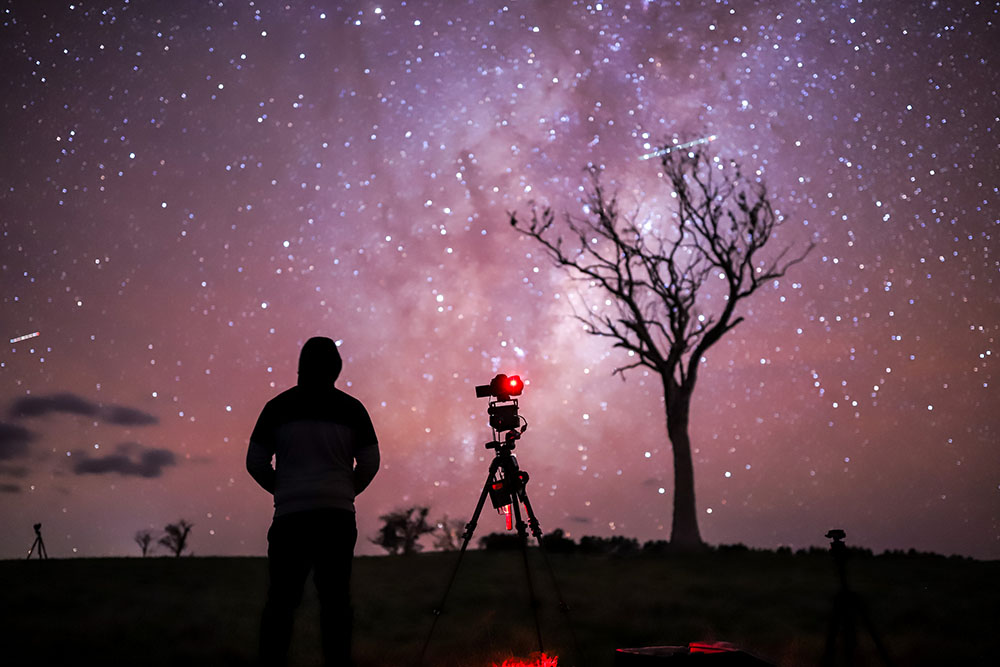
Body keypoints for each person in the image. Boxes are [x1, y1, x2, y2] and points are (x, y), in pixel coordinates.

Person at [247, 336, 380, 667]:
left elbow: (255, 462)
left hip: (291, 516)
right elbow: (371, 462)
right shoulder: (352, 409)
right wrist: (346, 490)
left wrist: (283, 489)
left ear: (301, 367)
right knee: (335, 601)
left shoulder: (277, 407)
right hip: (336, 516)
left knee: (281, 601)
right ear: (336, 369)